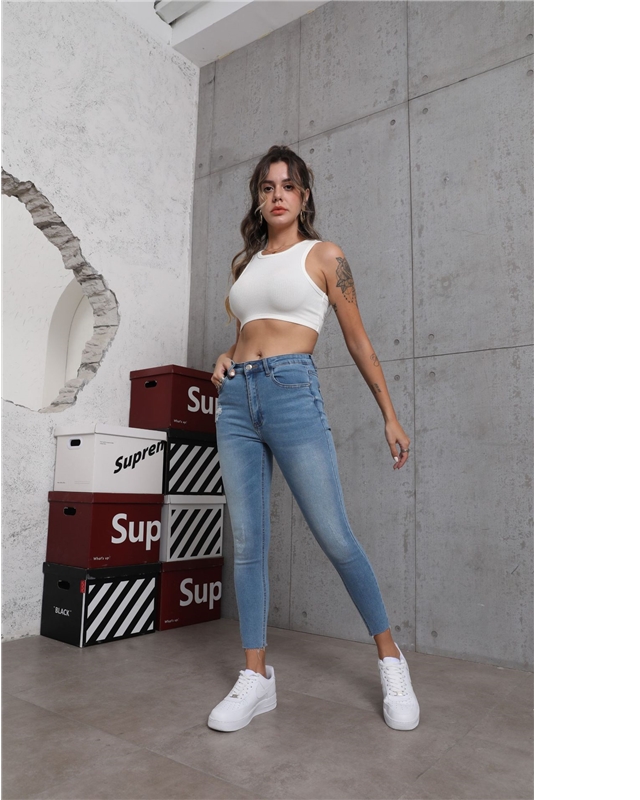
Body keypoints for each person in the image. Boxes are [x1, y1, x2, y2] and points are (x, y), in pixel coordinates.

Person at [207, 145, 419, 733]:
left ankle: (391, 660)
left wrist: (389, 415)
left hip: (291, 393)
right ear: (258, 198)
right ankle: (256, 677)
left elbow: (357, 339)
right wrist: (226, 355)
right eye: (267, 187)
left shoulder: (325, 255)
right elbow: (248, 332)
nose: (277, 195)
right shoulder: (245, 266)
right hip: (237, 402)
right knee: (248, 543)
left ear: (303, 196)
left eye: (288, 186)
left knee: (335, 535)